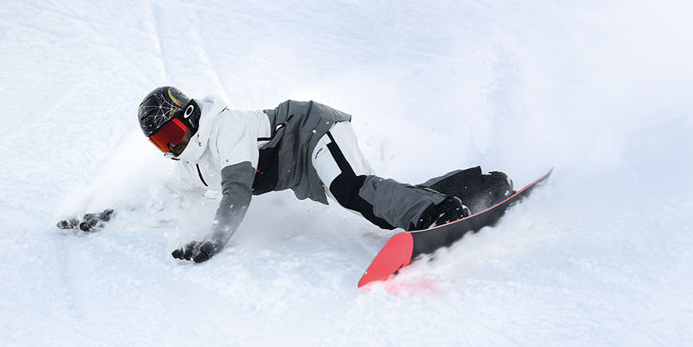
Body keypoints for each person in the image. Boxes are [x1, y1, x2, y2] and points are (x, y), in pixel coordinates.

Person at [60, 86, 514, 263]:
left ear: (191, 115)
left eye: (176, 130)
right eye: (164, 141)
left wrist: (215, 240)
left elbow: (237, 191)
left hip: (311, 131)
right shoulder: (192, 167)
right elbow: (162, 198)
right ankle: (479, 185)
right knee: (372, 205)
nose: (174, 143)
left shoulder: (225, 127)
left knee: (352, 189)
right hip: (303, 173)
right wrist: (104, 214)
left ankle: (435, 213)